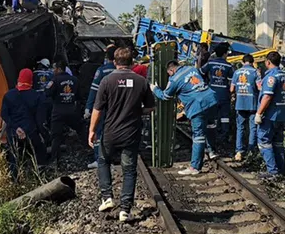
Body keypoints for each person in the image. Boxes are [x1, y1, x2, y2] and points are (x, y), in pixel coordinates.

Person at [89, 47, 155, 222]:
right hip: (131, 133)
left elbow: (97, 109)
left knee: (103, 161)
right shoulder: (141, 81)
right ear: (132, 63)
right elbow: (150, 107)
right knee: (129, 170)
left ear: (114, 62)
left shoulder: (106, 81)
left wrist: (92, 130)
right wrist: (136, 111)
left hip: (110, 132)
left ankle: (107, 197)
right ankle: (125, 210)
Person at [155, 60, 218, 175]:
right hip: (211, 98)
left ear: (171, 70)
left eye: (169, 73)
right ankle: (212, 150)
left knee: (198, 136)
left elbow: (165, 96)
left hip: (197, 105)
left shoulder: (174, 79)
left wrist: (154, 89)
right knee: (210, 125)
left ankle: (195, 167)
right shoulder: (192, 69)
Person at [1, 69, 47, 179]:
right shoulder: (37, 96)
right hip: (31, 132)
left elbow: (4, 115)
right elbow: (39, 119)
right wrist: (44, 135)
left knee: (14, 159)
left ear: (19, 79)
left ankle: (14, 182)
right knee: (38, 155)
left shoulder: (8, 95)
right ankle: (38, 178)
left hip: (13, 133)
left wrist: (17, 128)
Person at [256, 52, 285, 178]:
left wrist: (259, 113)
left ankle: (272, 171)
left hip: (271, 115)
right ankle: (281, 171)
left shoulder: (271, 77)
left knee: (264, 140)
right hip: (282, 114)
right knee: (278, 143)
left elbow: (267, 96)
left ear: (268, 62)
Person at [85, 46, 118, 169]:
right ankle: (111, 158)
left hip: (103, 106)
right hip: (117, 107)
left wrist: (88, 107)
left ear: (106, 57)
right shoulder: (120, 71)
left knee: (98, 132)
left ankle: (99, 159)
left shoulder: (102, 71)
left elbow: (94, 90)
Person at [200, 43, 235, 146]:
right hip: (224, 94)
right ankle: (224, 137)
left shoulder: (210, 63)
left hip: (211, 93)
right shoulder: (229, 66)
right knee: (225, 116)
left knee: (211, 116)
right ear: (224, 54)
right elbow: (231, 81)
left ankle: (211, 138)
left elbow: (200, 72)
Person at [231, 54, 260, 161]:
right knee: (253, 128)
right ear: (252, 62)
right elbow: (260, 87)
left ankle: (239, 152)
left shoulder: (236, 72)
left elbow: (231, 89)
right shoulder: (255, 72)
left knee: (240, 128)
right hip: (252, 103)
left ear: (243, 62)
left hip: (240, 103)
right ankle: (251, 151)